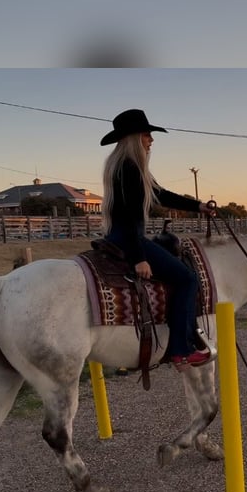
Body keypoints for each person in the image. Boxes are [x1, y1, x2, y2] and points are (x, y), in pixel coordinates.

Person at [100, 108, 215, 369]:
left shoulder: (126, 167)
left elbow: (161, 195)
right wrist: (139, 257)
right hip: (129, 238)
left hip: (119, 235)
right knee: (187, 279)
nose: (151, 140)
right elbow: (130, 215)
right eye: (147, 135)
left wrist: (198, 206)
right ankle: (180, 349)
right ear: (133, 139)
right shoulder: (129, 168)